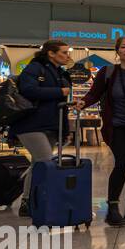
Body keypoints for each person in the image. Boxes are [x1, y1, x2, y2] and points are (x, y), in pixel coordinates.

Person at [74, 36, 125, 226]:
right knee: (122, 163)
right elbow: (94, 94)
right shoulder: (108, 72)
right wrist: (83, 102)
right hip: (117, 125)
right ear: (118, 52)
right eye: (123, 47)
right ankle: (112, 208)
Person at [11, 39, 74, 211]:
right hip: (31, 124)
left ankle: (28, 201)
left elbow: (62, 106)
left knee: (38, 163)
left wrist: (66, 130)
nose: (68, 56)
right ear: (51, 53)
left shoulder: (60, 73)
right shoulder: (35, 68)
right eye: (64, 52)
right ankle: (35, 201)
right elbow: (28, 90)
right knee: (46, 162)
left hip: (51, 125)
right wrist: (59, 91)